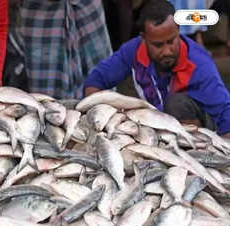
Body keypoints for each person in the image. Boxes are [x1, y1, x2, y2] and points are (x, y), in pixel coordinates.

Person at [84, 0, 230, 139]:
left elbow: (226, 112)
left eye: (171, 41)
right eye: (158, 45)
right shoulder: (133, 50)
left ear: (178, 31)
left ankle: (190, 147)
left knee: (175, 104)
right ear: (144, 39)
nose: (167, 51)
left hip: (200, 128)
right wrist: (101, 117)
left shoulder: (200, 64)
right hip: (156, 125)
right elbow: (95, 81)